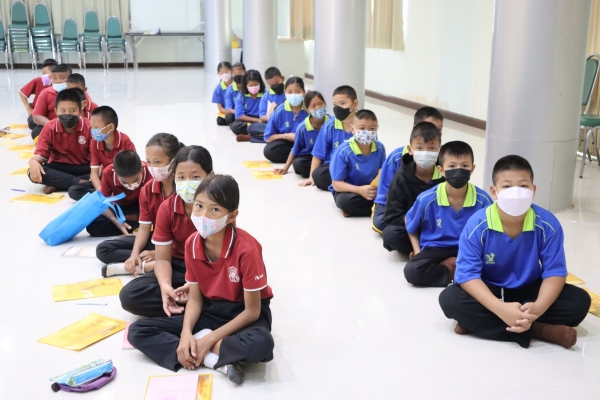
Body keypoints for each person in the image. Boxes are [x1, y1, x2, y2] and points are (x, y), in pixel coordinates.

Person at [128, 175, 274, 385]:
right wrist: (186, 332)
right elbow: (195, 299)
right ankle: (212, 360)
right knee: (137, 331)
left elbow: (252, 312)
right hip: (210, 309)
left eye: (214, 210)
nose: (203, 215)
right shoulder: (192, 243)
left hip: (242, 313)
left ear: (232, 216)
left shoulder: (247, 249)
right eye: (199, 206)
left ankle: (201, 347)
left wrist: (209, 338)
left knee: (261, 344)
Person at [439, 155, 591, 349]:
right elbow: (468, 275)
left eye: (523, 186)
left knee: (579, 302)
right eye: (507, 186)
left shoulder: (547, 224)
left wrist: (538, 308)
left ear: (533, 190)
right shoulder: (477, 225)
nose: (516, 192)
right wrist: (501, 309)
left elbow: (555, 272)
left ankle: (479, 324)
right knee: (449, 299)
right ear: (494, 191)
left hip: (529, 291)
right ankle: (539, 330)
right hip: (490, 289)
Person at [119, 145, 213, 318]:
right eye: (181, 177)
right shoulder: (167, 208)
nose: (187, 183)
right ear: (174, 177)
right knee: (129, 296)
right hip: (179, 265)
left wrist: (196, 284)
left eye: (195, 177)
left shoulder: (219, 205)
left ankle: (195, 303)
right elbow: (162, 259)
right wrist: (165, 287)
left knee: (232, 293)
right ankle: (196, 304)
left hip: (210, 269)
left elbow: (223, 256)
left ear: (210, 176)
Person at [404, 141, 492, 287]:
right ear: (441, 170)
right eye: (452, 166)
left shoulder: (483, 200)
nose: (458, 170)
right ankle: (456, 271)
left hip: (469, 249)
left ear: (472, 168)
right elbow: (410, 225)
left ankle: (455, 268)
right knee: (412, 271)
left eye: (465, 166)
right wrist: (418, 252)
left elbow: (491, 235)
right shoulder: (427, 199)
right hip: (435, 248)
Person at [97, 133, 182, 277]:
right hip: (159, 239)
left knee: (191, 259)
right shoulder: (148, 189)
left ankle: (150, 265)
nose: (152, 167)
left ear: (173, 162)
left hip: (181, 245)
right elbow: (143, 228)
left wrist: (158, 253)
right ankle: (145, 263)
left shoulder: (183, 189)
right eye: (149, 162)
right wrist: (134, 254)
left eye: (157, 162)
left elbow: (191, 236)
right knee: (103, 249)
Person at [372, 106, 444, 233]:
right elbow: (385, 191)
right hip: (395, 203)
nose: (431, 132)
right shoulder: (397, 156)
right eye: (428, 126)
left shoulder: (441, 159)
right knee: (382, 223)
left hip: (425, 209)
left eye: (438, 129)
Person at [381, 122, 445, 255]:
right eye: (420, 148)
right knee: (390, 235)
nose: (425, 153)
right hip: (410, 228)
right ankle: (424, 250)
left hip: (438, 227)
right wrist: (414, 220)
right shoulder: (400, 178)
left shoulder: (445, 176)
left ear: (440, 150)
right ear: (410, 150)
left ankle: (427, 250)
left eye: (432, 148)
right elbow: (391, 217)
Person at [28, 89, 91, 194]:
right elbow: (41, 154)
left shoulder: (89, 126)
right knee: (33, 172)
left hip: (84, 167)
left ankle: (60, 184)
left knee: (104, 172)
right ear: (56, 111)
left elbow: (97, 158)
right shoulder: (49, 127)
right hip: (58, 166)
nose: (68, 114)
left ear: (80, 111)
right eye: (63, 111)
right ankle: (81, 183)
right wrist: (33, 162)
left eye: (73, 111)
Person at [67, 106, 135, 201]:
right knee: (73, 191)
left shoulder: (125, 141)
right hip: (105, 180)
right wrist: (102, 192)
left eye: (96, 127)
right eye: (92, 127)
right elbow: (94, 174)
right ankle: (108, 197)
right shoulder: (95, 142)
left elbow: (133, 170)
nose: (93, 131)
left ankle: (110, 197)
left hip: (122, 181)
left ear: (110, 127)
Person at [329, 110, 386, 217]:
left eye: (372, 129)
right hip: (349, 191)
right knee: (345, 202)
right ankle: (379, 209)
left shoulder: (380, 148)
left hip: (371, 190)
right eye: (362, 128)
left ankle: (370, 208)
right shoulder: (343, 151)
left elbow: (382, 172)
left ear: (377, 129)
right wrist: (359, 190)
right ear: (353, 129)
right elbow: (337, 184)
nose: (367, 132)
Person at [301, 85, 359, 190]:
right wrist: (311, 177)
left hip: (358, 165)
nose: (338, 108)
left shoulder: (364, 124)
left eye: (342, 103)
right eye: (335, 105)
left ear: (355, 104)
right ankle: (348, 183)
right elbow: (318, 153)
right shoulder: (329, 125)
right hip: (335, 166)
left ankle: (344, 184)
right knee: (318, 176)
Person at [86, 150, 152, 237]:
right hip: (120, 208)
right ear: (115, 172)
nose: (131, 185)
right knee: (93, 226)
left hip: (144, 207)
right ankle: (140, 226)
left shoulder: (150, 170)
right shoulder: (108, 172)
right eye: (124, 182)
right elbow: (104, 202)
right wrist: (116, 221)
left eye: (136, 180)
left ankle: (141, 225)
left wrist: (127, 217)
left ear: (142, 168)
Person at [274, 91, 328, 178]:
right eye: (313, 106)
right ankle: (320, 172)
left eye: (320, 104)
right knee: (298, 164)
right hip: (309, 157)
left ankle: (321, 172)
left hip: (327, 157)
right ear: (307, 110)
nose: (318, 108)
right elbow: (295, 149)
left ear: (325, 104)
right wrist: (285, 168)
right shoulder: (302, 127)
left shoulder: (331, 123)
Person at [262, 77, 309, 163]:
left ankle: (301, 157)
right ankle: (302, 156)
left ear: (304, 92)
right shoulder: (280, 110)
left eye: (297, 92)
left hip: (307, 142)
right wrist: (286, 136)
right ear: (285, 93)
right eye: (289, 92)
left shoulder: (309, 109)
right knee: (269, 150)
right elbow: (268, 137)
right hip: (287, 143)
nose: (293, 95)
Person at [31, 63, 72, 140]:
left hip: (72, 125)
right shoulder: (45, 93)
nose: (58, 81)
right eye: (54, 78)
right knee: (36, 131)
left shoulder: (77, 92)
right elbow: (36, 116)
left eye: (62, 78)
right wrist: (52, 125)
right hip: (51, 126)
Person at [246, 66, 287, 141]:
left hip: (289, 123)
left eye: (277, 82)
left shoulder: (289, 90)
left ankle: (260, 138)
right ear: (267, 83)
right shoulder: (266, 96)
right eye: (272, 85)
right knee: (251, 127)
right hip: (274, 123)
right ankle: (281, 136)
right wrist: (274, 119)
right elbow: (262, 117)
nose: (275, 86)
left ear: (282, 78)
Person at [20, 58, 57, 129]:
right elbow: (22, 93)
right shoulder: (38, 81)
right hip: (38, 108)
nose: (43, 76)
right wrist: (28, 108)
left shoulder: (59, 85)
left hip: (50, 110)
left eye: (45, 74)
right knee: (32, 123)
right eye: (43, 74)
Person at [230, 70, 265, 141]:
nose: (253, 87)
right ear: (246, 85)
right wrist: (257, 120)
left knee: (272, 125)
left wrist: (262, 120)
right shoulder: (241, 95)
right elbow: (239, 115)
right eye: (250, 86)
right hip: (247, 121)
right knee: (235, 127)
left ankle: (251, 135)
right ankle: (259, 133)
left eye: (256, 85)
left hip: (263, 120)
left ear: (260, 83)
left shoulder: (265, 94)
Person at [214, 61, 234, 126]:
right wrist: (231, 112)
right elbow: (220, 108)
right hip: (227, 112)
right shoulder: (218, 89)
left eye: (226, 72)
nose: (224, 75)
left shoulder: (237, 84)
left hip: (239, 110)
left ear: (231, 71)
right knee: (220, 120)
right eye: (221, 73)